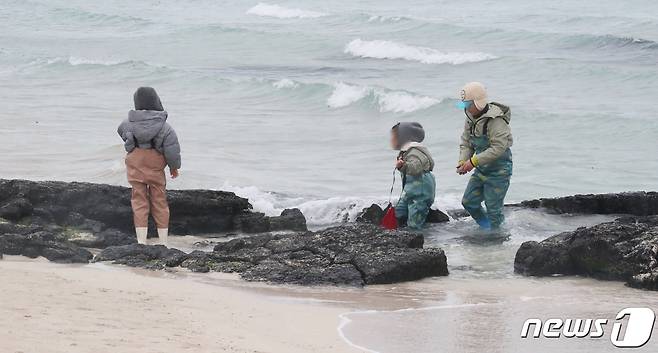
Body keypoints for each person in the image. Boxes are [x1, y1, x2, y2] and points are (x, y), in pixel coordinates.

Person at [117, 87, 181, 246]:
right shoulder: (166, 128)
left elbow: (120, 131)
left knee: (139, 201)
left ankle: (141, 241)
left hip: (135, 166)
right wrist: (174, 167)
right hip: (155, 168)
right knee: (159, 202)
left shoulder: (128, 123)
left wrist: (131, 141)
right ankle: (164, 242)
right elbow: (172, 150)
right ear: (156, 101)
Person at [456, 82, 513, 230]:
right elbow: (466, 142)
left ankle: (498, 240)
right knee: (469, 202)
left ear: (478, 102)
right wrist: (463, 160)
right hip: (481, 169)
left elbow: (498, 148)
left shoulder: (496, 120)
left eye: (468, 104)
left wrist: (473, 161)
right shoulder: (470, 118)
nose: (466, 108)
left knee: (493, 208)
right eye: (464, 105)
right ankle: (486, 227)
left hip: (499, 171)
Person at [391, 122, 436, 230]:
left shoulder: (415, 152)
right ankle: (401, 229)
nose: (392, 139)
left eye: (394, 136)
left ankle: (417, 239)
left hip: (421, 192)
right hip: (410, 191)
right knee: (399, 212)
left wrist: (403, 165)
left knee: (414, 223)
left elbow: (416, 168)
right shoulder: (406, 152)